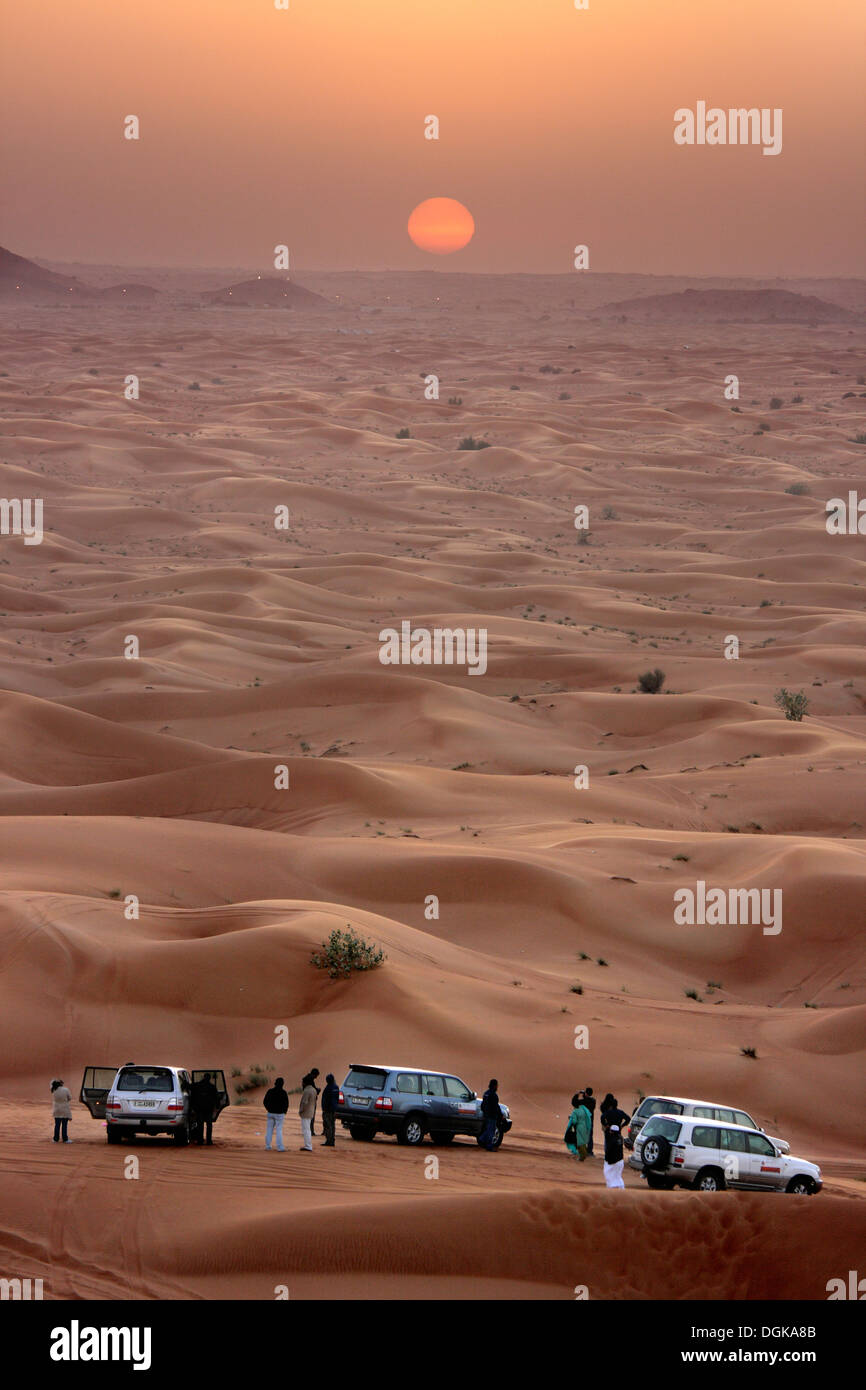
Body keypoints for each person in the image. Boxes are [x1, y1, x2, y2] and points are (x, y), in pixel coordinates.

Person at [190, 1072, 219, 1146]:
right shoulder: (212, 1087)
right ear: (209, 1078)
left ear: (204, 1077)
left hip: (200, 1109)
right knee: (209, 1125)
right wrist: (217, 1106)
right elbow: (217, 1097)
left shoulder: (197, 1085)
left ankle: (200, 1140)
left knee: (200, 1125)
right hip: (208, 1109)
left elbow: (189, 1087)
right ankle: (208, 1141)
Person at [263, 1076, 289, 1151]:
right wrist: (284, 1111)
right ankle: (280, 1147)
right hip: (279, 1114)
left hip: (270, 1113)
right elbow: (286, 1103)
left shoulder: (270, 1091)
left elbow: (265, 1101)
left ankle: (268, 1146)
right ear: (282, 1084)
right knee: (279, 1130)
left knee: (269, 1129)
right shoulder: (283, 1092)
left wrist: (268, 1109)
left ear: (275, 1083)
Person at [564, 1092, 592, 1162]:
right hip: (585, 1126)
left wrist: (571, 1118)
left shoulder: (575, 1111)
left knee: (579, 1142)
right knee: (583, 1140)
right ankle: (583, 1154)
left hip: (579, 1127)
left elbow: (574, 1121)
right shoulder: (584, 1109)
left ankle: (582, 1156)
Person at [479, 1078, 502, 1150]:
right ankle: (488, 1145)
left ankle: (482, 1140)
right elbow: (495, 1107)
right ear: (494, 1086)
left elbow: (483, 1105)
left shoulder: (486, 1093)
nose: (497, 1087)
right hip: (492, 1116)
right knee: (491, 1131)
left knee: (488, 1129)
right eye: (497, 1085)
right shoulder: (493, 1095)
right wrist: (500, 1115)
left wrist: (485, 1113)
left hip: (486, 1115)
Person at [603, 1118, 626, 1188]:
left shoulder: (611, 1139)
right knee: (617, 1176)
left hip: (613, 1162)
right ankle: (622, 1190)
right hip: (620, 1161)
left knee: (608, 1175)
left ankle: (611, 1191)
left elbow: (609, 1150)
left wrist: (609, 1161)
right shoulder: (620, 1138)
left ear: (611, 1131)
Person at [298, 1074, 317, 1151]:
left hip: (306, 1113)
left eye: (303, 1082)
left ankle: (308, 1146)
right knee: (307, 1129)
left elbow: (304, 1103)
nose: (302, 1083)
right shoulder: (313, 1090)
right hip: (311, 1112)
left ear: (305, 1082)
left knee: (306, 1130)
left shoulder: (306, 1091)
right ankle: (308, 1145)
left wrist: (301, 1110)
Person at [320, 1073, 339, 1146]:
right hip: (333, 1110)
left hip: (328, 1110)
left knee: (328, 1125)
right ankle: (331, 1140)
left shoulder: (329, 1088)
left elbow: (330, 1100)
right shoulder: (335, 1087)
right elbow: (336, 1099)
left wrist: (326, 1109)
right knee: (332, 1125)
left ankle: (329, 1141)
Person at [51, 1079, 72, 1144]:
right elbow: (70, 1098)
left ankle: (55, 1139)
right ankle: (65, 1139)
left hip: (56, 1109)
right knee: (64, 1125)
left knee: (57, 1125)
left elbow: (51, 1082)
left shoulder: (53, 1090)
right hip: (64, 1109)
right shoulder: (66, 1089)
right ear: (61, 1084)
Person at [302, 1068, 321, 1136]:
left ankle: (307, 1130)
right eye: (316, 1075)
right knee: (311, 1116)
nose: (316, 1077)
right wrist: (318, 1090)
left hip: (306, 1100)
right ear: (314, 1074)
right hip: (311, 1101)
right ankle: (310, 1131)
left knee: (306, 1116)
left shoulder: (305, 1079)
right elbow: (313, 1091)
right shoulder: (310, 1080)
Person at [583, 1085, 597, 1155]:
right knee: (589, 1136)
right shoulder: (593, 1100)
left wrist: (583, 1095)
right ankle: (589, 1151)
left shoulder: (586, 1100)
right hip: (590, 1120)